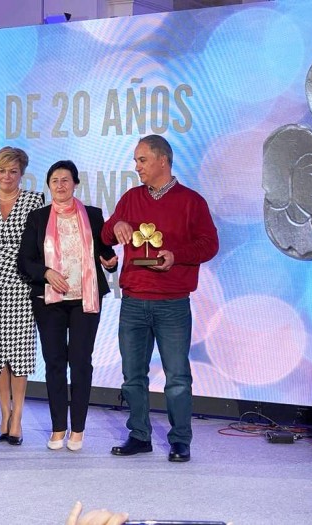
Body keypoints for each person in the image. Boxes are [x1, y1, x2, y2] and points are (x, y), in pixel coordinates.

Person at [101, 135, 218, 462]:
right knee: (132, 374)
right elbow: (106, 235)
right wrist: (118, 224)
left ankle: (180, 439)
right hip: (134, 301)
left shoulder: (191, 202)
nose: (136, 166)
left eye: (141, 160)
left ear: (162, 161)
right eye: (136, 160)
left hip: (172, 303)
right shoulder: (131, 198)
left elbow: (209, 245)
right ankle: (140, 435)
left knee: (177, 376)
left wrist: (176, 255)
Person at [18, 160, 118, 451]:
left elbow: (106, 255)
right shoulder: (38, 218)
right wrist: (46, 273)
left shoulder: (93, 215)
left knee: (81, 362)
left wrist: (111, 263)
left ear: (75, 183)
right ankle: (58, 427)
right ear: (48, 186)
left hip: (85, 299)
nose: (60, 185)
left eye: (65, 180)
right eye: (54, 181)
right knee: (55, 363)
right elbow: (25, 261)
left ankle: (78, 429)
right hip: (49, 299)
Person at [0, 146, 44, 446]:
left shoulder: (34, 201)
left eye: (13, 171)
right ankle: (4, 413)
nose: (7, 176)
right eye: (2, 171)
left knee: (20, 356)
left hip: (23, 286)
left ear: (21, 173)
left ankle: (18, 418)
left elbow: (40, 245)